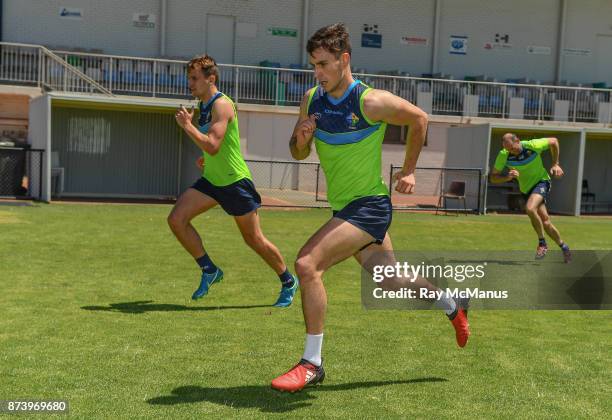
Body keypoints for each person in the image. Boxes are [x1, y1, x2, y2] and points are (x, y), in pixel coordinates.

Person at [270, 23, 470, 392]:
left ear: (344, 60)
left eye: (324, 64)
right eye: (314, 65)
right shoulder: (311, 99)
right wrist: (300, 139)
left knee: (306, 264)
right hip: (345, 208)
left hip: (370, 207)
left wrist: (409, 171)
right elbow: (298, 153)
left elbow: (419, 119)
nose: (318, 73)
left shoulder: (369, 101)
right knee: (390, 280)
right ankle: (452, 303)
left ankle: (312, 363)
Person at [168, 54, 298, 306]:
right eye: (189, 78)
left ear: (211, 79)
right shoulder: (204, 106)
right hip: (213, 181)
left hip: (235, 183)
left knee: (254, 239)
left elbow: (214, 145)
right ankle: (209, 270)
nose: (190, 83)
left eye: (195, 78)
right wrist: (206, 159)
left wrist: (188, 126)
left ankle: (288, 281)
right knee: (176, 219)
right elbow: (215, 148)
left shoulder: (221, 105)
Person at [490, 133, 571, 262]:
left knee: (530, 208)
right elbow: (493, 178)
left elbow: (554, 141)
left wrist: (555, 163)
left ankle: (542, 243)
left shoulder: (532, 145)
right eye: (507, 149)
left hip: (542, 181)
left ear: (518, 141)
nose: (510, 151)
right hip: (526, 189)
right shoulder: (503, 154)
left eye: (512, 148)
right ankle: (564, 247)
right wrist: (507, 177)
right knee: (545, 221)